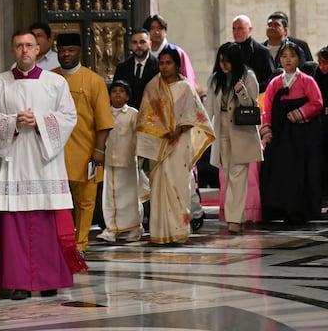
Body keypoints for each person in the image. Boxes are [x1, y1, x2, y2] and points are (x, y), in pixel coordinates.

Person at [0, 29, 82, 301]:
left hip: (46, 162)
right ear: (12, 51)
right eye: (18, 46)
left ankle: (50, 280)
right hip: (15, 163)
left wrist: (39, 121)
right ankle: (19, 283)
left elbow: (69, 117)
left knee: (48, 224)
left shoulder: (55, 82)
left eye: (29, 45)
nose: (24, 50)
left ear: (38, 49)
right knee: (15, 226)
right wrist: (14, 122)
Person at [136, 48, 214, 244]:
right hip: (159, 143)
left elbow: (195, 116)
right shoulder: (153, 87)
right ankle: (160, 232)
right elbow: (146, 117)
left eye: (168, 63)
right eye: (161, 63)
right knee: (159, 186)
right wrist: (161, 131)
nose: (164, 67)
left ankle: (179, 231)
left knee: (178, 184)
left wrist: (178, 130)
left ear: (176, 65)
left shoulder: (185, 87)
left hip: (179, 143)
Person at [53, 33, 114, 255]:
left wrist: (99, 149)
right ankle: (60, 241)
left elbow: (104, 121)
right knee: (57, 202)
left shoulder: (94, 81)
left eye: (71, 50)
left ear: (80, 51)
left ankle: (80, 244)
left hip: (85, 152)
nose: (66, 54)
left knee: (85, 202)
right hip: (54, 152)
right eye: (62, 50)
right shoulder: (49, 78)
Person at [260, 42, 323, 224]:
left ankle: (301, 210)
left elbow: (317, 103)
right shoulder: (275, 83)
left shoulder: (307, 81)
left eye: (292, 56)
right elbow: (267, 109)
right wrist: (267, 129)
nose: (288, 60)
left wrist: (298, 113)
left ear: (299, 59)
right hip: (280, 135)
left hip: (302, 135)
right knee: (281, 170)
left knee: (301, 171)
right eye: (284, 56)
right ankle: (280, 208)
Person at [204, 43, 263, 234]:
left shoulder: (248, 76)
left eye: (228, 61)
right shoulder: (215, 79)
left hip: (242, 132)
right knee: (228, 175)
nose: (224, 65)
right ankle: (237, 216)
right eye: (221, 61)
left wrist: (241, 91)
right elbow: (209, 109)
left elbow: (253, 106)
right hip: (221, 131)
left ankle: (234, 220)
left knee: (238, 176)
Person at [96, 80, 144, 243]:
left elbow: (138, 136)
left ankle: (135, 227)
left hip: (128, 160)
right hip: (110, 160)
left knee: (130, 195)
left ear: (127, 96)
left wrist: (140, 156)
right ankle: (111, 228)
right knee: (110, 196)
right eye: (114, 91)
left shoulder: (132, 113)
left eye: (121, 91)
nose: (117, 94)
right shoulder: (104, 112)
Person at [142, 14, 196, 85]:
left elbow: (188, 79)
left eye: (160, 28)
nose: (156, 32)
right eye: (152, 28)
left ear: (165, 32)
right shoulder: (142, 53)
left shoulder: (177, 52)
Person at [113, 29, 159, 109]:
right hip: (127, 115)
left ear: (150, 44)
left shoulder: (158, 67)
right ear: (130, 45)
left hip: (151, 113)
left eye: (142, 42)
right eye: (135, 42)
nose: (139, 46)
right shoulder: (122, 68)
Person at [231, 14, 275, 93]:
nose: (236, 32)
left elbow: (270, 80)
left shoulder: (263, 52)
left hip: (256, 98)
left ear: (250, 29)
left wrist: (250, 89)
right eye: (234, 28)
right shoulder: (229, 51)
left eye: (240, 28)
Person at [314, 46, 328, 203]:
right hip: (321, 124)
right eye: (320, 63)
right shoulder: (317, 74)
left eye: (325, 63)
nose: (322, 66)